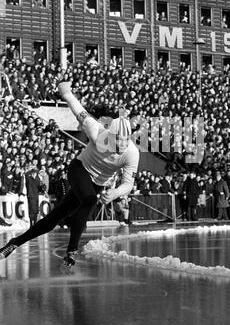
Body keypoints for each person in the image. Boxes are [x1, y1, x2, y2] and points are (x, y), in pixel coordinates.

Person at [0, 78, 140, 267]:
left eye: (125, 141)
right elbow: (78, 110)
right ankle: (72, 250)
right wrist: (65, 93)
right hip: (80, 169)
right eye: (118, 141)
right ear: (110, 135)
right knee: (89, 200)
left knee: (53, 218)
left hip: (97, 182)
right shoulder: (96, 131)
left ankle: (13, 243)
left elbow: (128, 184)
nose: (121, 146)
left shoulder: (132, 153)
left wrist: (115, 192)